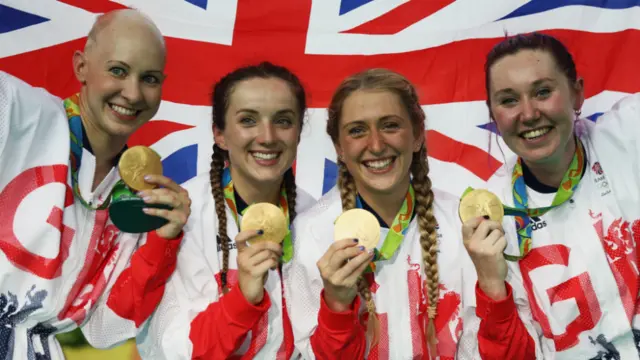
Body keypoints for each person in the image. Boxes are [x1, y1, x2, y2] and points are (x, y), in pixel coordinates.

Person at [0, 9, 190, 359]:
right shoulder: (17, 110)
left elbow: (106, 329)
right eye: (118, 70)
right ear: (81, 67)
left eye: (149, 79)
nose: (132, 93)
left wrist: (162, 242)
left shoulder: (138, 199)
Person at [463, 32, 640, 359]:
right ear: (493, 114)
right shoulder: (489, 221)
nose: (529, 114)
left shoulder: (630, 135)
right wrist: (492, 288)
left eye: (543, 92)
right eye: (509, 100)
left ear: (577, 93)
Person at [285, 68, 479, 359]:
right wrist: (337, 307)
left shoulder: (462, 224)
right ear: (339, 147)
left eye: (390, 125)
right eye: (357, 130)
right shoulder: (310, 234)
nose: (376, 145)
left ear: (417, 136)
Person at [136, 62, 316, 359]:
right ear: (219, 134)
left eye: (283, 121)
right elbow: (176, 351)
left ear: (298, 131)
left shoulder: (317, 220)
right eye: (248, 120)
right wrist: (243, 298)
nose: (268, 136)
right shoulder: (181, 217)